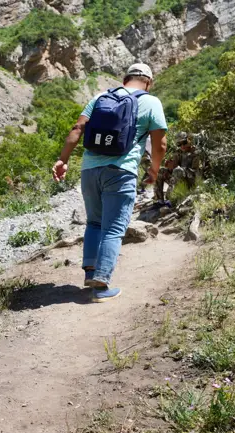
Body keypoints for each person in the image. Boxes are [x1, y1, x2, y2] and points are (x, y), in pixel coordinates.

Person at [52, 63, 168, 301]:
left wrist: (62, 160)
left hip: (89, 170)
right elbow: (161, 144)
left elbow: (77, 129)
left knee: (94, 222)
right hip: (121, 171)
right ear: (148, 81)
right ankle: (101, 285)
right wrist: (154, 171)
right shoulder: (151, 102)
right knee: (114, 228)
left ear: (125, 78)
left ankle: (90, 273)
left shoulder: (101, 96)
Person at [155, 131, 201, 202]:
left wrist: (180, 169)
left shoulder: (196, 153)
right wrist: (170, 166)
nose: (182, 146)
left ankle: (169, 198)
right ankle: (159, 200)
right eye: (179, 144)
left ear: (188, 140)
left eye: (184, 143)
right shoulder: (178, 152)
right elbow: (175, 169)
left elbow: (195, 172)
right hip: (178, 178)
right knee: (161, 171)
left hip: (191, 181)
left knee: (178, 171)